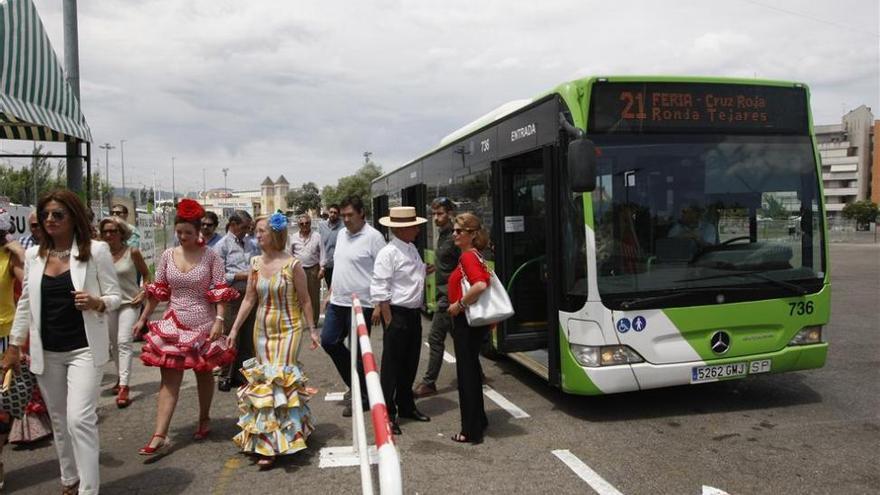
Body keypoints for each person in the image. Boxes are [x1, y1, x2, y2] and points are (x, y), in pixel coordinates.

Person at [2, 189, 122, 494]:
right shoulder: (33, 255)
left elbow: (115, 297)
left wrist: (96, 302)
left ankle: (88, 490)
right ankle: (70, 479)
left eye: (58, 214)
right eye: (45, 215)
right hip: (47, 353)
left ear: (73, 217)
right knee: (59, 421)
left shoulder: (96, 251)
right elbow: (27, 303)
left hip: (84, 349)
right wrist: (15, 346)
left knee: (79, 419)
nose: (50, 220)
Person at [132, 199, 239, 455]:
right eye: (178, 232)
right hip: (173, 325)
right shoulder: (168, 255)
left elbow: (219, 291)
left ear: (198, 231)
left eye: (187, 233)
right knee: (169, 379)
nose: (182, 237)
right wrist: (143, 318)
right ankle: (159, 434)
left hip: (203, 324)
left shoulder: (211, 257)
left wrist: (220, 320)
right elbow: (159, 292)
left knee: (203, 373)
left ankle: (204, 418)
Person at [227, 212, 320, 469]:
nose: (256, 235)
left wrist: (312, 329)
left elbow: (305, 300)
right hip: (262, 330)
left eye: (261, 231)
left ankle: (284, 438)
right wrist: (234, 330)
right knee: (264, 382)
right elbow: (248, 299)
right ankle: (267, 439)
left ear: (275, 234)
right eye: (256, 231)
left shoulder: (293, 265)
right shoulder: (255, 263)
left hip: (290, 329)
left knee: (280, 379)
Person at [321, 196, 385, 417]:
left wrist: (379, 303)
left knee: (359, 352)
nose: (346, 219)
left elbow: (382, 271)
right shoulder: (341, 234)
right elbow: (340, 265)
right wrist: (330, 294)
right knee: (329, 341)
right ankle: (358, 385)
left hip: (362, 304)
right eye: (343, 215)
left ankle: (364, 397)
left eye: (350, 215)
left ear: (362, 214)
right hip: (338, 302)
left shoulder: (374, 237)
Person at [370, 207, 431, 435]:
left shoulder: (411, 248)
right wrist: (389, 320)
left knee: (410, 363)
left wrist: (426, 270)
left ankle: (406, 405)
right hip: (397, 314)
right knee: (392, 368)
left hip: (413, 314)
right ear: (401, 229)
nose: (417, 229)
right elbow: (380, 288)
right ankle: (389, 412)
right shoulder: (388, 253)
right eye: (413, 225)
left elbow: (413, 274)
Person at [446, 212, 491, 444]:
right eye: (454, 230)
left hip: (466, 321)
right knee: (471, 371)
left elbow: (480, 285)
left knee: (467, 376)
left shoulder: (467, 258)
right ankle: (479, 421)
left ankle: (470, 430)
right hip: (470, 322)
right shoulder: (474, 255)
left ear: (472, 235)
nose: (454, 234)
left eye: (459, 231)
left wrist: (459, 304)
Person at [98, 217, 152, 408]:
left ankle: (124, 386)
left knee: (123, 342)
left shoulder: (132, 252)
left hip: (129, 303)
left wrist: (143, 291)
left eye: (113, 231)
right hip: (109, 304)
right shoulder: (100, 254)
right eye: (105, 231)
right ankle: (121, 379)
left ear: (121, 233)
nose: (109, 235)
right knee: (113, 345)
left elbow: (146, 274)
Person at [414, 197, 460, 398]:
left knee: (435, 338)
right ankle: (477, 372)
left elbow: (463, 264)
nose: (436, 218)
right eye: (433, 214)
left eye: (440, 214)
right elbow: (447, 263)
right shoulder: (442, 236)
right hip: (444, 295)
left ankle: (429, 382)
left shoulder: (455, 237)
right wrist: (433, 268)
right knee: (460, 338)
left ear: (450, 214)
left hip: (449, 298)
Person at [213, 210, 258, 390]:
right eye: (244, 227)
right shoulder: (221, 246)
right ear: (233, 224)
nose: (247, 231)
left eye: (248, 228)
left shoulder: (250, 243)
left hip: (250, 295)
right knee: (231, 336)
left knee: (248, 336)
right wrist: (241, 275)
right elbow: (219, 276)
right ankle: (225, 375)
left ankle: (243, 374)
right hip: (232, 297)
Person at [0, 208, 25, 488]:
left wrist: (19, 253)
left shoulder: (8, 258)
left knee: (1, 408)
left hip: (3, 338)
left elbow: (33, 287)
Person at [290, 213, 322, 323]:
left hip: (313, 269)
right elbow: (290, 255)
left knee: (313, 297)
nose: (304, 225)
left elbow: (323, 253)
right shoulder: (293, 237)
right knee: (297, 297)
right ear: (299, 224)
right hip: (298, 270)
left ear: (310, 223)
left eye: (307, 223)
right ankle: (297, 322)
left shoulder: (317, 236)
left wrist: (322, 268)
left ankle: (313, 321)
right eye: (302, 223)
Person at [318, 204, 343, 288]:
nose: (332, 214)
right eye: (331, 212)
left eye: (335, 213)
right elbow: (318, 244)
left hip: (339, 264)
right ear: (328, 213)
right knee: (329, 287)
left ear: (338, 214)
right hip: (326, 264)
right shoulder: (321, 226)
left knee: (338, 288)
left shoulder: (343, 227)